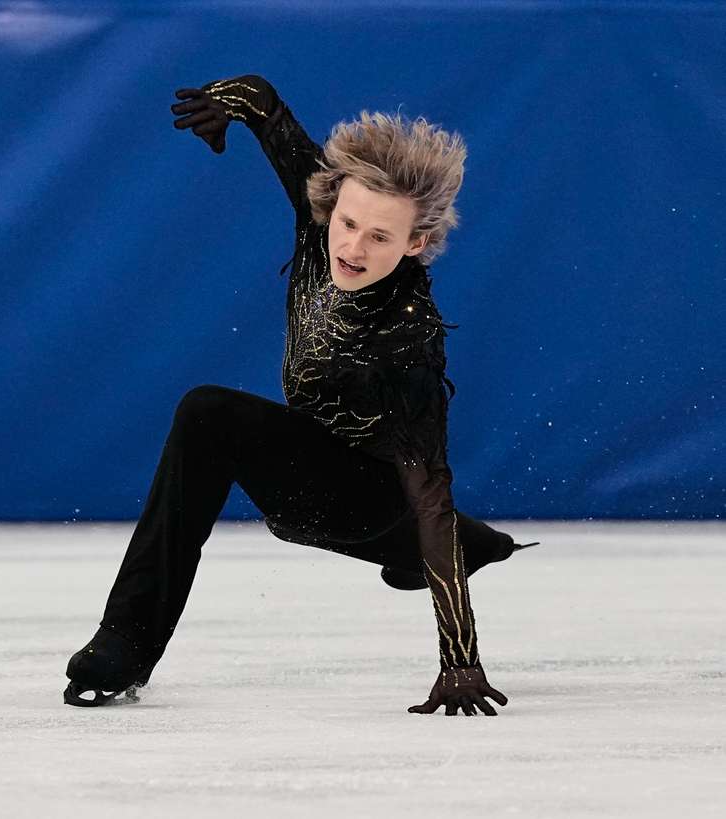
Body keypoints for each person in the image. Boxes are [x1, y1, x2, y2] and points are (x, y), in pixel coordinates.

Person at [63, 75, 533, 715]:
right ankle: (474, 547)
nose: (353, 248)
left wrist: (461, 660)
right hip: (308, 477)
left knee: (210, 412)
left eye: (381, 238)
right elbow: (268, 108)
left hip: (371, 501)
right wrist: (227, 102)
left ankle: (124, 644)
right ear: (333, 204)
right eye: (349, 224)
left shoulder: (408, 342)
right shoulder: (324, 220)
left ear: (416, 245)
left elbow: (430, 497)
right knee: (227, 434)